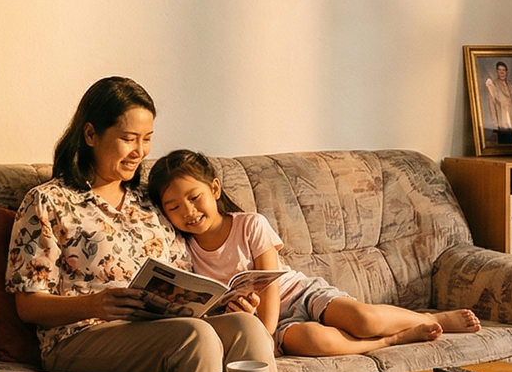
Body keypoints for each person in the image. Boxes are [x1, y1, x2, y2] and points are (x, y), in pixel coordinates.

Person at [5, 77, 285, 372]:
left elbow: (187, 280)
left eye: (147, 140)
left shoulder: (149, 203)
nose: (139, 152)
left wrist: (226, 302)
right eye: (128, 139)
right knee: (195, 339)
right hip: (83, 334)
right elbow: (27, 303)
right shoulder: (48, 201)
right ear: (91, 134)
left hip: (162, 326)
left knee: (246, 329)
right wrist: (96, 302)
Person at [147, 150, 482, 356]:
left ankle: (431, 318)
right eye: (173, 207)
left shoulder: (249, 224)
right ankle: (388, 343)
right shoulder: (182, 249)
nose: (188, 212)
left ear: (215, 189)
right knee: (312, 341)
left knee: (365, 320)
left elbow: (270, 284)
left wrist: (263, 334)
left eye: (194, 198)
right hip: (258, 322)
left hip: (295, 295)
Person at [484, 61, 512, 144]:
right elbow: (492, 105)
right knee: (505, 143)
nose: (502, 72)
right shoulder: (493, 85)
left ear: (507, 72)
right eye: (500, 70)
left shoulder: (511, 84)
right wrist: (496, 123)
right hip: (502, 120)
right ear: (497, 71)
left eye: (504, 70)